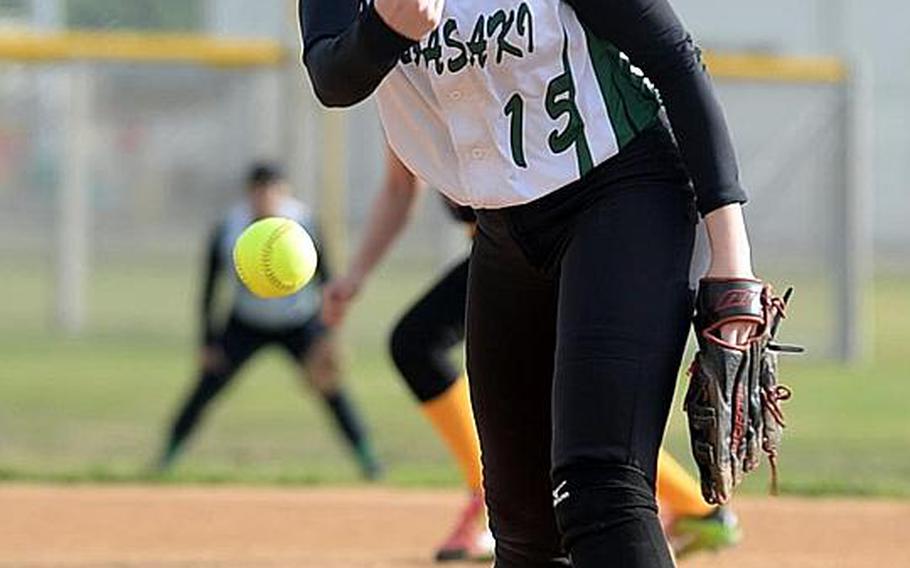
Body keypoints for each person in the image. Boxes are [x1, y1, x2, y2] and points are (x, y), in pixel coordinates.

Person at [300, 1, 758, 566]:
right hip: (504, 226)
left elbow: (672, 57)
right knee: (522, 527)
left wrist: (732, 262)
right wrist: (387, 27)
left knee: (601, 487)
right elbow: (331, 77)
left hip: (622, 190)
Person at [324, 148, 740, 561]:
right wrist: (355, 276)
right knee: (424, 346)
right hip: (500, 255)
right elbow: (400, 187)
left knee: (567, 406)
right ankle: (697, 509)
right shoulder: (400, 91)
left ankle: (696, 508)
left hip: (559, 243)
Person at [156, 163, 382, 480]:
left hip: (299, 322)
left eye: (274, 190)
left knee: (330, 388)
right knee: (206, 387)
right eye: (259, 191)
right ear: (249, 194)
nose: (266, 198)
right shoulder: (228, 229)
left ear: (285, 192)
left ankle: (369, 461)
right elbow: (209, 288)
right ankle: (167, 457)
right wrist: (207, 342)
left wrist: (328, 336)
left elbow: (326, 279)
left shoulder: (302, 224)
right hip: (245, 323)